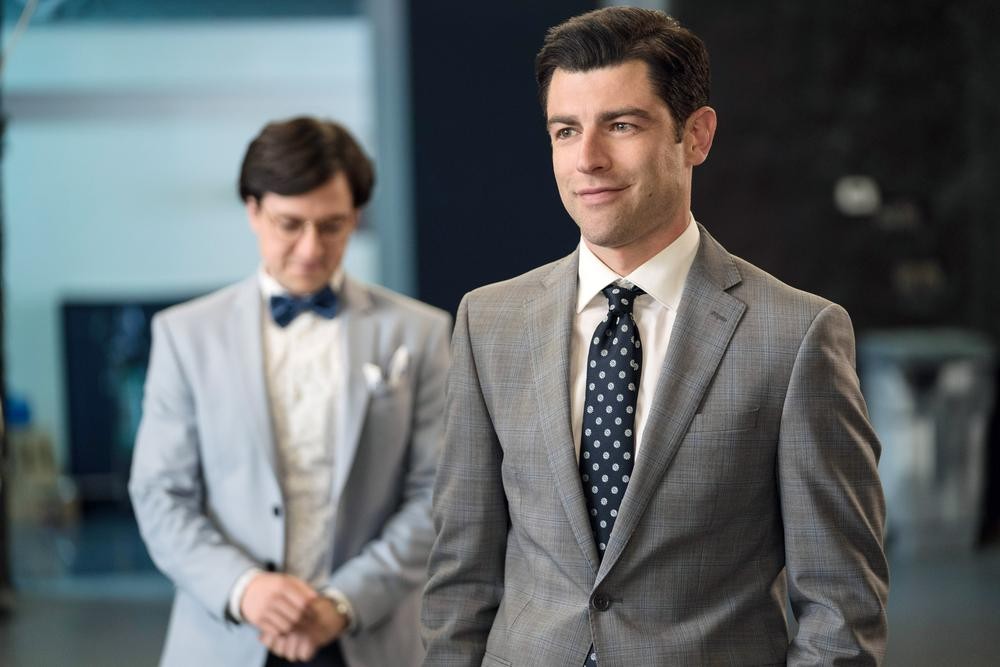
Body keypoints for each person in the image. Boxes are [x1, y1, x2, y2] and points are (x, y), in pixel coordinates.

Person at [422, 7, 888, 666]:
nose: (588, 159)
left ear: (695, 136)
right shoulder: (488, 321)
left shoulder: (798, 335)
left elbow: (841, 605)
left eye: (621, 125)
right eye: (565, 130)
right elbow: (460, 581)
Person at [130, 117, 450, 667]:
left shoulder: (418, 333)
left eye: (332, 226)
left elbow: (437, 493)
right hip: (226, 636)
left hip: (370, 635)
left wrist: (345, 599)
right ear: (253, 210)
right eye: (289, 224)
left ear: (355, 217)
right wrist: (245, 587)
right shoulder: (184, 336)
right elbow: (161, 494)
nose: (310, 249)